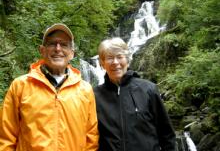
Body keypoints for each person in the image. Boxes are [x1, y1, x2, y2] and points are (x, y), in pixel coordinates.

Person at [0, 23, 99, 151]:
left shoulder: (85, 90)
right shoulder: (20, 86)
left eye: (64, 44)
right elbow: (6, 137)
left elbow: (91, 137)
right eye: (52, 43)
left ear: (71, 53)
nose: (58, 49)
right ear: (42, 50)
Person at [94, 37, 176, 151]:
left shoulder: (148, 89)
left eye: (119, 57)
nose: (115, 62)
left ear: (127, 60)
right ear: (102, 63)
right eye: (109, 58)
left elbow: (167, 135)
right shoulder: (94, 96)